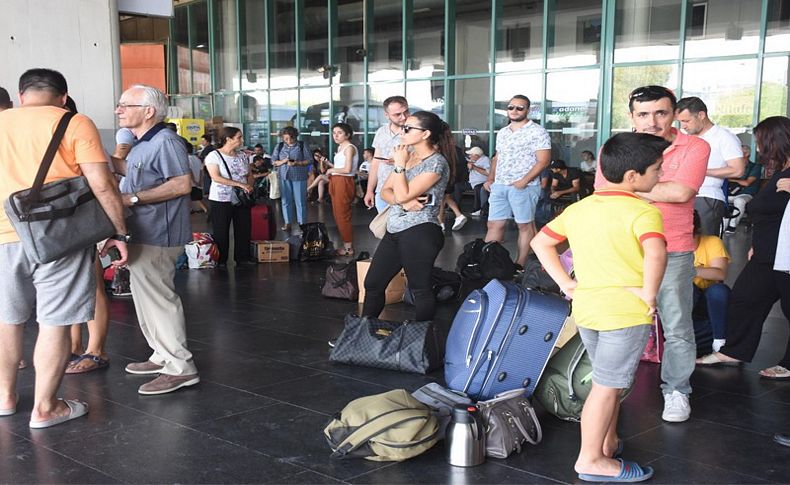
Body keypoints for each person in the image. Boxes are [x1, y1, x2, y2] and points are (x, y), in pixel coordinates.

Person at [531, 132, 668, 483]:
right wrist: (650, 294)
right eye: (657, 169)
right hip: (623, 312)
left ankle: (606, 442)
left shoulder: (579, 208)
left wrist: (566, 284)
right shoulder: (643, 211)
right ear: (633, 176)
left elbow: (540, 242)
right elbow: (656, 252)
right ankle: (591, 459)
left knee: (609, 383)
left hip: (588, 309)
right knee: (607, 386)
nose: (660, 175)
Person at [0, 68, 128, 427]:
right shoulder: (74, 122)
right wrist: (118, 231)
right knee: (54, 322)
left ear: (22, 95)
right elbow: (101, 183)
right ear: (62, 96)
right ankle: (45, 407)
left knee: (7, 320)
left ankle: (5, 396)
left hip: (3, 237)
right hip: (60, 238)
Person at [594, 85, 709, 423]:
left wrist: (628, 186)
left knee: (676, 326)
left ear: (674, 113)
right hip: (623, 249)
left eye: (661, 112)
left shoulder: (695, 146)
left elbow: (681, 191)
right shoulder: (613, 148)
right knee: (618, 323)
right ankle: (610, 387)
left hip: (673, 248)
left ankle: (676, 390)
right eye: (643, 114)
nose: (652, 121)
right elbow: (604, 191)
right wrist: (653, 191)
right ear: (632, 117)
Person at [114, 84, 199, 395]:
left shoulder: (165, 141)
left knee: (159, 300)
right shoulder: (142, 144)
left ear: (148, 111)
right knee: (145, 298)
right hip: (142, 232)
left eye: (125, 105)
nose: (118, 110)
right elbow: (137, 171)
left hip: (159, 233)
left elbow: (181, 185)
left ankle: (180, 367)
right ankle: (162, 354)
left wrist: (132, 199)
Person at [696, 116, 790, 380]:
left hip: (785, 253)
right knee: (745, 299)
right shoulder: (780, 171)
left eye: (761, 142)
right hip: (766, 253)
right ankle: (733, 351)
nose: (759, 149)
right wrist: (755, 245)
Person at [362, 111, 453, 322]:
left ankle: (421, 338)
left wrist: (400, 168)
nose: (403, 131)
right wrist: (404, 200)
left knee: (419, 288)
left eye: (408, 128)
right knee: (373, 284)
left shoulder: (436, 163)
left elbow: (400, 192)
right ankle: (362, 333)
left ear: (425, 134)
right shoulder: (408, 155)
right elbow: (385, 192)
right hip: (394, 229)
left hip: (420, 231)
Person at [484, 94, 551, 268]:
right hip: (500, 185)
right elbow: (497, 158)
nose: (514, 111)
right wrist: (490, 178)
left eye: (519, 108)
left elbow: (543, 160)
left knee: (524, 226)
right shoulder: (503, 132)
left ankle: (519, 264)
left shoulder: (537, 131)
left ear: (528, 110)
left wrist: (524, 180)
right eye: (511, 107)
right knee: (493, 224)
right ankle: (488, 263)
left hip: (524, 187)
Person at [676, 96, 745, 235]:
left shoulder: (724, 137)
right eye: (680, 122)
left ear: (701, 115)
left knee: (704, 245)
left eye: (686, 121)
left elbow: (738, 170)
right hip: (680, 194)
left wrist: (701, 171)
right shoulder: (687, 138)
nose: (683, 126)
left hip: (706, 196)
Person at [204, 127, 255, 267]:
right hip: (221, 199)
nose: (242, 140)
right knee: (221, 230)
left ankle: (243, 258)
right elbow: (216, 177)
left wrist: (249, 185)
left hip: (241, 198)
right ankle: (221, 260)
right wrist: (240, 184)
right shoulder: (214, 156)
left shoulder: (242, 156)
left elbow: (249, 175)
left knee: (243, 229)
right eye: (239, 137)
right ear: (228, 139)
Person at [691, 211, 730, 353]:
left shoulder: (712, 242)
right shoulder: (666, 245)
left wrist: (688, 270)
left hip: (706, 303)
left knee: (719, 290)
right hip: (684, 304)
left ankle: (719, 342)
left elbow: (720, 274)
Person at [365, 96, 409, 213]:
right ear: (386, 115)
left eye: (406, 112)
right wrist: (369, 190)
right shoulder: (381, 132)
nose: (403, 117)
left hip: (407, 190)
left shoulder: (415, 132)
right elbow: (375, 163)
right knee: (383, 229)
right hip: (382, 190)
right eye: (397, 114)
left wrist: (400, 161)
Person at [271, 126, 311, 232]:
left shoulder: (302, 145)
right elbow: (273, 161)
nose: (288, 141)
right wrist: (283, 161)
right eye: (285, 139)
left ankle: (302, 223)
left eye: (290, 138)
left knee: (300, 201)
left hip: (299, 176)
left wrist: (297, 163)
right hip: (284, 176)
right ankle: (287, 222)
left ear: (295, 136)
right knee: (285, 200)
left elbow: (309, 160)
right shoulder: (279, 146)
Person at [326, 122, 358, 256]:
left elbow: (347, 169)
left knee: (342, 215)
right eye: (334, 133)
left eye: (339, 133)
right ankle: (346, 245)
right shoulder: (341, 147)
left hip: (343, 182)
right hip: (337, 180)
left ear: (348, 134)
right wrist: (330, 167)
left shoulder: (349, 148)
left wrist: (331, 169)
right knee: (338, 215)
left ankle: (348, 248)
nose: (335, 135)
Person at [724, 145, 762, 233]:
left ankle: (732, 226)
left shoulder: (755, 166)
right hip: (732, 193)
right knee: (721, 198)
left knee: (739, 200)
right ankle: (723, 225)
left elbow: (747, 183)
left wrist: (729, 179)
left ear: (746, 154)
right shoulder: (733, 167)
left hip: (746, 194)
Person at [466, 146, 491, 217]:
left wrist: (474, 167)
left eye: (471, 154)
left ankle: (477, 209)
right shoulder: (473, 161)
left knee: (478, 188)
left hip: (482, 182)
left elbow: (488, 173)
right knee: (457, 186)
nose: (469, 156)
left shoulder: (485, 159)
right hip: (472, 182)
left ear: (477, 155)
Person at [187, 143, 209, 214]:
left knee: (195, 198)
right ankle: (191, 210)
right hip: (197, 182)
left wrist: (193, 181)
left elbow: (189, 171)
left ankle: (206, 210)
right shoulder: (197, 159)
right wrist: (200, 180)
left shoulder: (186, 159)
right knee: (193, 198)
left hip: (192, 183)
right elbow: (201, 170)